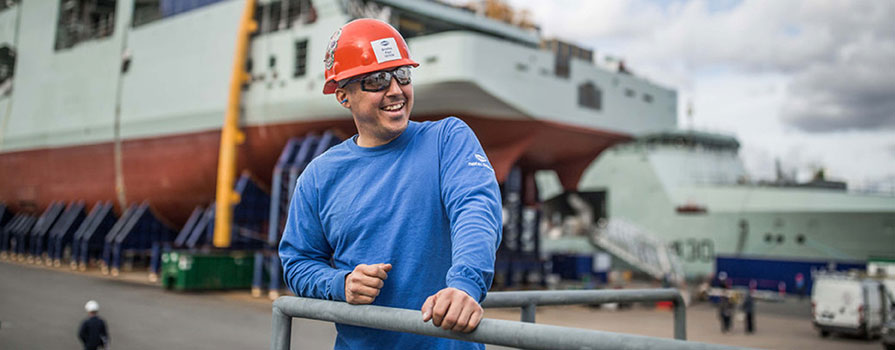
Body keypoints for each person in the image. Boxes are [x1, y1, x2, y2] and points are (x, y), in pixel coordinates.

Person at [278, 18, 502, 350]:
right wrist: (341, 284)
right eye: (377, 80)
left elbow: (476, 208)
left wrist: (465, 285)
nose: (396, 90)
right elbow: (297, 261)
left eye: (403, 75)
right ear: (343, 96)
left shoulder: (448, 139)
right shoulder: (318, 177)